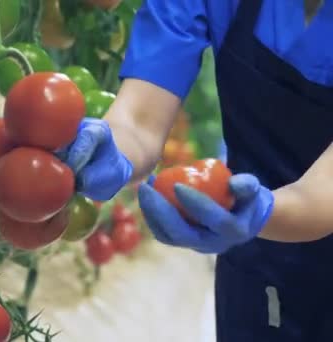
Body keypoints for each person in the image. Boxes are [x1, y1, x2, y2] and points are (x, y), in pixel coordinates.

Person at [57, 0, 333, 340]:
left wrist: (260, 212)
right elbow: (140, 120)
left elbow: (323, 193)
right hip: (255, 272)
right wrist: (109, 147)